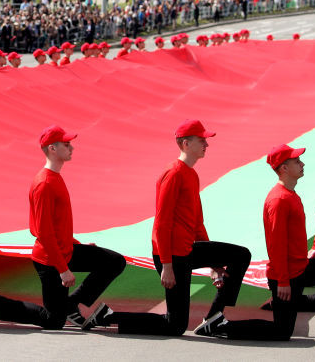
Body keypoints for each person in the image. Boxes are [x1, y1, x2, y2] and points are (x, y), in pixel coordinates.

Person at [83, 120, 252, 336]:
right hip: (172, 255)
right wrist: (167, 266)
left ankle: (214, 317)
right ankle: (108, 316)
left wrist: (214, 264)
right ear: (185, 144)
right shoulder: (173, 174)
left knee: (240, 255)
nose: (206, 145)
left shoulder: (192, 174)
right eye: (201, 140)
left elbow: (198, 222)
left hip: (188, 249)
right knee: (175, 325)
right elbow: (161, 223)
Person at [0, 126, 125, 329]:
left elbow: (58, 226)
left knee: (114, 262)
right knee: (54, 321)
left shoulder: (56, 178)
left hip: (64, 250)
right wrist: (63, 270)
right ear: (52, 148)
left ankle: (70, 304)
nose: (72, 148)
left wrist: (78, 245)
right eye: (67, 145)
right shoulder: (44, 184)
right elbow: (44, 233)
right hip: (50, 261)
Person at [203, 145, 315, 341]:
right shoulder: (279, 200)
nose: (302, 164)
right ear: (284, 169)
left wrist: (313, 249)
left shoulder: (290, 194)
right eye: (297, 162)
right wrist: (282, 282)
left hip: (299, 268)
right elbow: (275, 245)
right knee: (281, 331)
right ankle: (220, 326)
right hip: (287, 275)